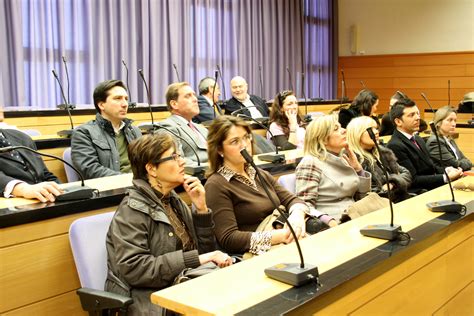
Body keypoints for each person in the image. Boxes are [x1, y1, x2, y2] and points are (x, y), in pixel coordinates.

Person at [105, 132, 232, 315]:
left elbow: (204, 253)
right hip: (148, 300)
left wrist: (202, 209)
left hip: (184, 285)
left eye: (180, 156)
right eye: (173, 157)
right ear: (152, 169)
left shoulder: (173, 199)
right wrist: (198, 259)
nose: (182, 162)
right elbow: (135, 269)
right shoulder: (132, 210)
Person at [204, 115, 312, 255]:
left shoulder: (258, 173)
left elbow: (292, 200)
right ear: (219, 150)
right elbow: (229, 239)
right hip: (260, 252)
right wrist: (281, 235)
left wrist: (297, 217)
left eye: (246, 137)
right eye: (234, 141)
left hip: (285, 238)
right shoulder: (216, 184)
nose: (244, 145)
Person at [295, 115, 371, 222]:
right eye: (336, 129)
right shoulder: (310, 162)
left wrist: (359, 170)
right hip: (334, 222)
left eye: (341, 127)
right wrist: (328, 220)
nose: (344, 130)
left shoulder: (343, 159)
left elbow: (364, 198)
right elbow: (303, 206)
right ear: (323, 139)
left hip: (356, 216)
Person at [387, 98, 463, 194]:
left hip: (431, 188)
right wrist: (445, 177)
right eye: (411, 115)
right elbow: (412, 180)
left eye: (417, 113)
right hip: (419, 193)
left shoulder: (418, 139)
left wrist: (447, 170)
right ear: (398, 122)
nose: (418, 117)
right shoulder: (395, 145)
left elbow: (431, 167)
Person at [71, 80, 142, 179]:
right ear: (101, 105)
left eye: (126, 99)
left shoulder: (134, 131)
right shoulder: (84, 133)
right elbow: (91, 169)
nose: (125, 104)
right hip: (109, 189)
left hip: (139, 187)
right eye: (118, 99)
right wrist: (128, 179)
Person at [346, 116, 412, 203]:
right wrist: (397, 180)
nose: (376, 132)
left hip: (399, 199)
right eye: (370, 129)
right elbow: (373, 193)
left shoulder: (383, 152)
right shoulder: (354, 160)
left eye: (376, 128)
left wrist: (392, 182)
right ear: (357, 133)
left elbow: (407, 174)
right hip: (380, 206)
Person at [0, 127, 62, 202]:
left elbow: (44, 174)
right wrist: (22, 189)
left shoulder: (21, 136)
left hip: (44, 200)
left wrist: (61, 191)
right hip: (14, 204)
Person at [160, 82, 209, 165]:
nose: (195, 99)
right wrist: (213, 168)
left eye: (194, 95)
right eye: (188, 96)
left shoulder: (201, 128)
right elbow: (177, 160)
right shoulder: (168, 127)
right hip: (197, 174)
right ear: (174, 104)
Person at [426, 106, 472, 171]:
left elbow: (467, 161)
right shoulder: (434, 142)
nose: (453, 124)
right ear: (439, 123)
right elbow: (455, 164)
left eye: (455, 120)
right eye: (450, 120)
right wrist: (463, 164)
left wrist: (464, 164)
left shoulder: (449, 139)